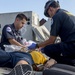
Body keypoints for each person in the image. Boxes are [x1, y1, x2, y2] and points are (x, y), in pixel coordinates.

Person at [28, 0, 75, 66]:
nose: (50, 17)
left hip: (72, 46)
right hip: (72, 45)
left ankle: (71, 62)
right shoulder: (69, 14)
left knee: (48, 49)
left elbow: (51, 41)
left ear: (50, 9)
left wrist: (37, 46)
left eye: (49, 15)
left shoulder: (57, 16)